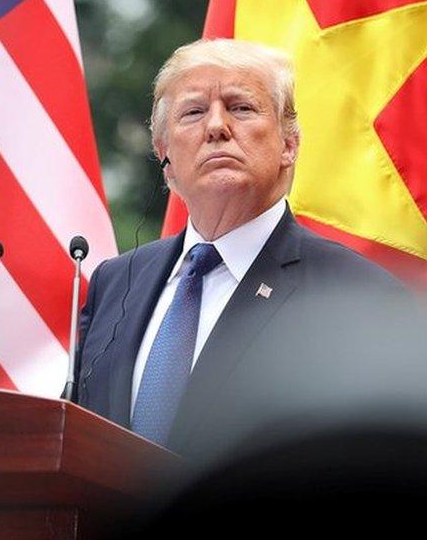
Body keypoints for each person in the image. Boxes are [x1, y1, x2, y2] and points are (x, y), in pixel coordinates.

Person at [75, 39, 421, 463]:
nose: (216, 126)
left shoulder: (357, 295)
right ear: (164, 154)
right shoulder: (115, 282)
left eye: (241, 108)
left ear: (289, 145)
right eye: (193, 112)